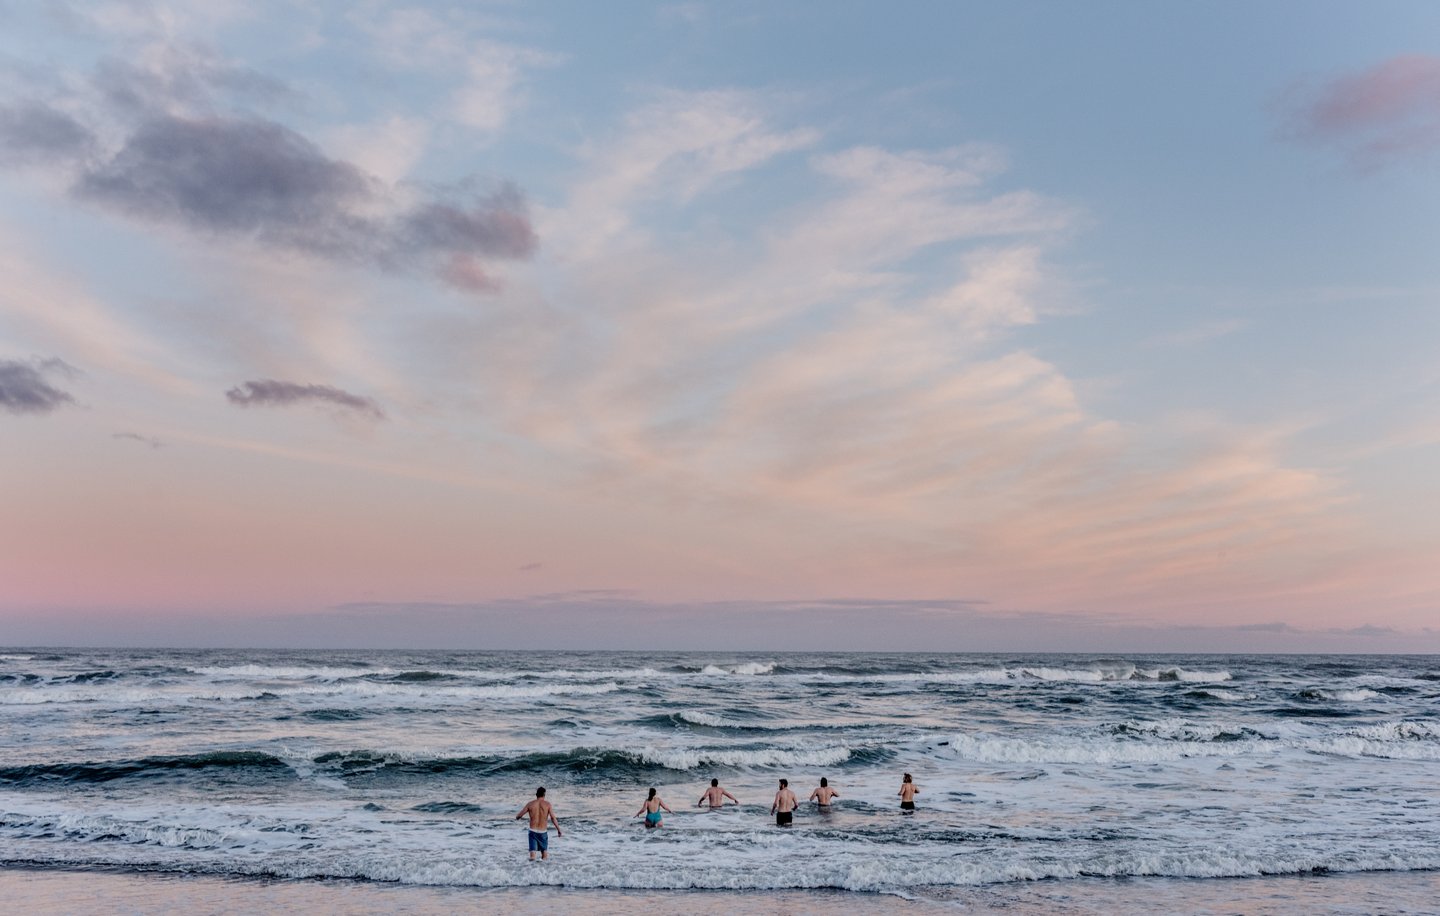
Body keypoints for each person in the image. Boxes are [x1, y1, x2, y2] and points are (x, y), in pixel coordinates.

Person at [515, 786, 562, 860]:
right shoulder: (547, 804)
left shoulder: (530, 804)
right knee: (544, 855)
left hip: (533, 831)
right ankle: (543, 870)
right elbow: (553, 818)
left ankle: (532, 870)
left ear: (536, 795)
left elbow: (519, 816)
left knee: (532, 856)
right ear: (544, 795)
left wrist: (518, 817)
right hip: (543, 832)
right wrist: (558, 830)